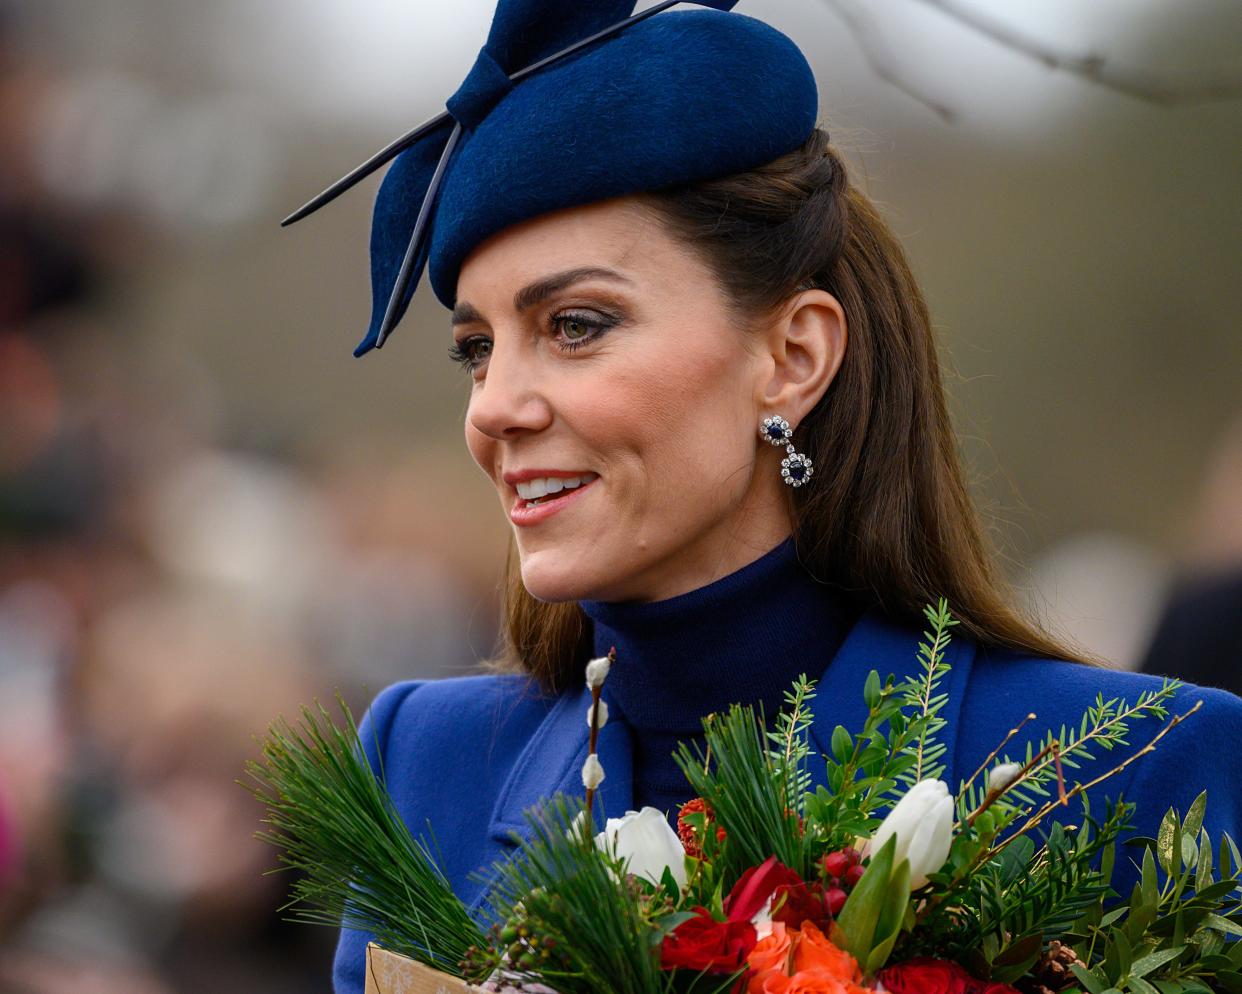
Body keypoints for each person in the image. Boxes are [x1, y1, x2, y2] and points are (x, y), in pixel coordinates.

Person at [281, 3, 1242, 992]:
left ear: (793, 356)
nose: (496, 410)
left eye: (573, 325)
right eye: (478, 350)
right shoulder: (426, 764)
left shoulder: (1138, 767)